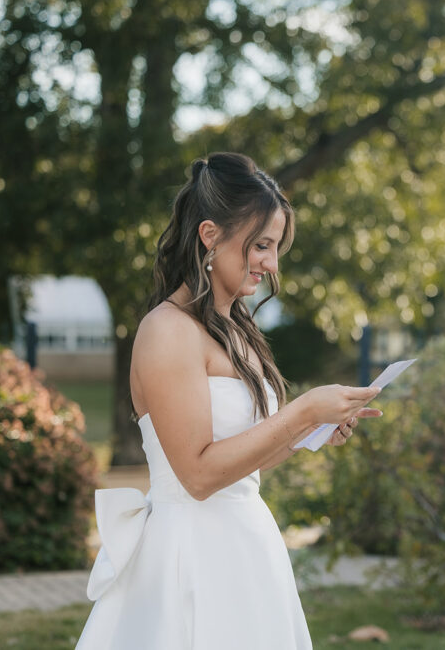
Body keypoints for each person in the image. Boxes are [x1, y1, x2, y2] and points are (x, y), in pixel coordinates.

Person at [76, 152, 381, 649]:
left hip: (248, 546)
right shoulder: (167, 331)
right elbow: (197, 476)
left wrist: (312, 430)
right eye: (261, 245)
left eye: (276, 247)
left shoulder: (236, 331)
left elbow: (242, 464)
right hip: (193, 555)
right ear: (210, 235)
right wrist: (302, 410)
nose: (272, 263)